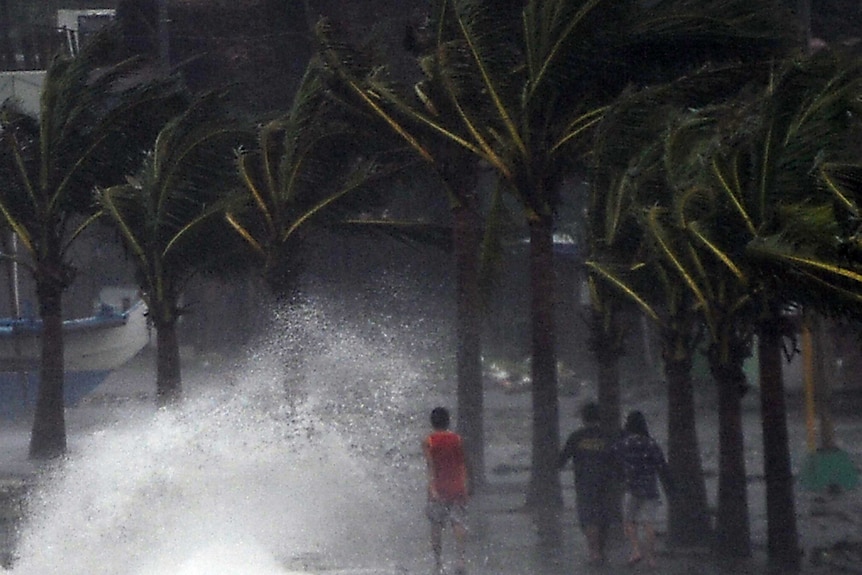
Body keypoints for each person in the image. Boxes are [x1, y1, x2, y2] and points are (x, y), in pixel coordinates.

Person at [611, 410, 673, 568]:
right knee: (648, 523)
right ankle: (651, 559)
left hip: (632, 488)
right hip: (650, 489)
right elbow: (661, 466)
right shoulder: (651, 443)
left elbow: (613, 459)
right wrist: (670, 487)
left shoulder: (623, 443)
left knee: (629, 520)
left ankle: (636, 550)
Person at [557, 401, 616, 565]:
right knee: (603, 517)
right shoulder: (608, 436)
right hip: (606, 483)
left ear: (583, 418)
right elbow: (617, 459)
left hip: (584, 484)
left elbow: (561, 460)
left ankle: (594, 553)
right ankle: (600, 551)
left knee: (588, 519)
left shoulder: (576, 437)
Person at [423, 406, 469, 575]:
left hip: (438, 486)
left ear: (432, 422)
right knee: (458, 522)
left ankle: (438, 563)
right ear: (448, 421)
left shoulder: (429, 441)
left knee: (436, 525)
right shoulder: (457, 439)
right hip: (456, 486)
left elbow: (431, 466)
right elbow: (462, 463)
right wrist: (464, 484)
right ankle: (461, 559)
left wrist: (432, 487)